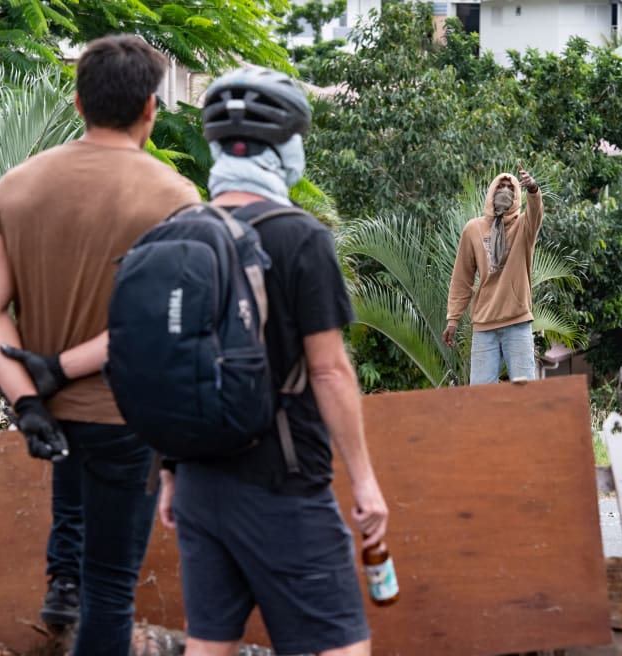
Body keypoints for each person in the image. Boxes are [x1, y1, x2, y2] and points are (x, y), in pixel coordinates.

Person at [0, 34, 200, 654]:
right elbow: (160, 326)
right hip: (130, 418)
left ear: (76, 102)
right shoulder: (176, 199)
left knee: (73, 505)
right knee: (112, 592)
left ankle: (60, 582)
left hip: (52, 417)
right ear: (151, 107)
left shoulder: (14, 188)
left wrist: (27, 399)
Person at [154, 67, 388, 656]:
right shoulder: (301, 237)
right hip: (283, 484)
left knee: (209, 646)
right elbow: (330, 369)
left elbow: (166, 363)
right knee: (340, 647)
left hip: (199, 483)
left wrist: (168, 473)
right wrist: (364, 482)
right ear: (285, 147)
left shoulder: (176, 233)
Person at [443, 167, 543, 384]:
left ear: (517, 195)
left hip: (517, 323)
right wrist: (453, 319)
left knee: (526, 395)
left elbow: (536, 213)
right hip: (484, 326)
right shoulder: (474, 229)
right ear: (491, 192)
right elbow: (462, 277)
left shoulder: (524, 226)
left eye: (510, 188)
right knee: (481, 397)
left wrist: (533, 190)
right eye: (500, 186)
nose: (505, 191)